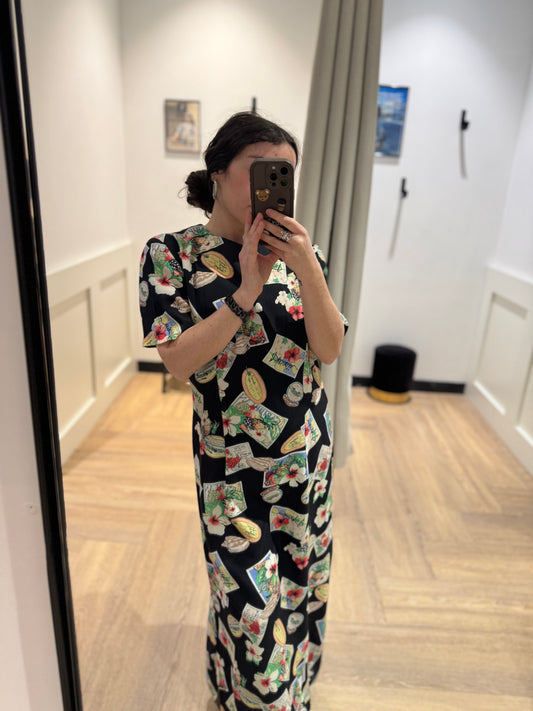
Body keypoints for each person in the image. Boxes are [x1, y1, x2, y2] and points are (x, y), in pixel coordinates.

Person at [139, 111, 347, 711]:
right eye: (260, 169)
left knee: (301, 587)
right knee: (250, 607)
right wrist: (246, 291)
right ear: (218, 172)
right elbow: (179, 363)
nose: (273, 184)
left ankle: (282, 688)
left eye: (284, 173)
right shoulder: (171, 255)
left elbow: (329, 349)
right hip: (232, 474)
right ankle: (260, 697)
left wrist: (306, 269)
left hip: (306, 461)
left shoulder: (303, 255)